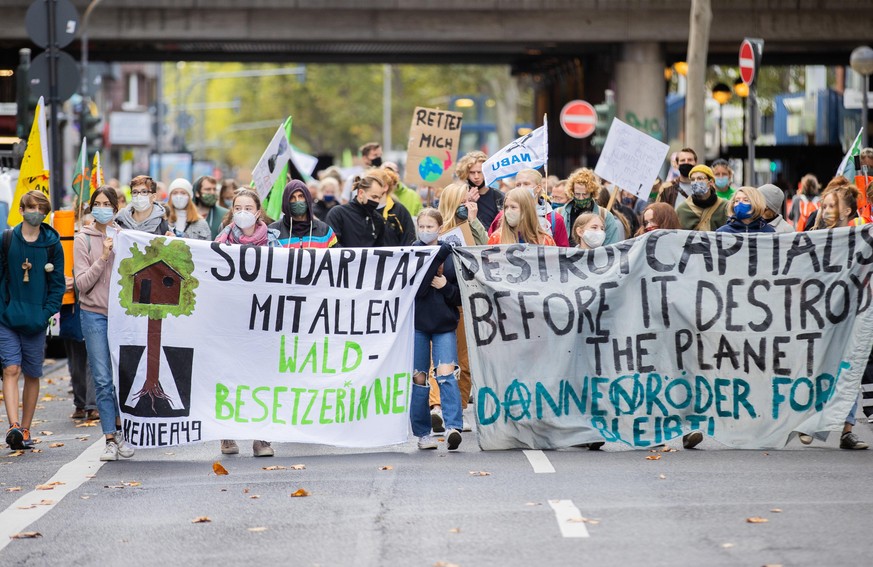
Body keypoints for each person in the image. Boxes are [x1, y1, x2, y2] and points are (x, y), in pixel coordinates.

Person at [216, 188, 282, 457]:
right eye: (237, 208)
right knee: (229, 375)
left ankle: (261, 437)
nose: (242, 213)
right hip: (229, 318)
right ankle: (226, 433)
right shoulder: (220, 241)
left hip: (262, 319)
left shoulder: (273, 241)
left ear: (258, 212)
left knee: (262, 377)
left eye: (247, 208)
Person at [73, 186, 136, 461]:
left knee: (122, 377)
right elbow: (82, 284)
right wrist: (103, 258)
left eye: (106, 203)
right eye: (97, 203)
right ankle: (110, 437)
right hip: (94, 314)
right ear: (91, 207)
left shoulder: (125, 237)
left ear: (116, 207)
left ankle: (123, 432)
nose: (102, 208)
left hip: (122, 316)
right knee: (101, 378)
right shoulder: (82, 239)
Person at [804, 183, 868, 450]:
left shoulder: (862, 234)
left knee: (849, 367)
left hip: (854, 312)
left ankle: (847, 430)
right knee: (819, 367)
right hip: (819, 313)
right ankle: (810, 423)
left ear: (848, 210)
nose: (827, 210)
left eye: (833, 206)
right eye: (824, 206)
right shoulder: (813, 236)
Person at [2, 190, 65, 450]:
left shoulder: (52, 244)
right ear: (20, 209)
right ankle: (13, 426)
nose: (36, 213)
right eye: (31, 208)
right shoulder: (6, 240)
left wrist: (45, 313)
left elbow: (57, 284)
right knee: (11, 368)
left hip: (36, 320)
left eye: (41, 209)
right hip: (6, 317)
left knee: (32, 373)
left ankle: (26, 429)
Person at [410, 209, 463, 451]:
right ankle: (422, 433)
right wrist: (437, 260)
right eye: (422, 225)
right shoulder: (411, 253)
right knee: (419, 380)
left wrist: (444, 286)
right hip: (418, 325)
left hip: (443, 324)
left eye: (431, 226)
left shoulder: (452, 256)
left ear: (440, 228)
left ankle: (453, 427)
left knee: (446, 374)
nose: (426, 230)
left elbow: (459, 295)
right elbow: (417, 289)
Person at [489, 169, 570, 246]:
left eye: (526, 184)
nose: (521, 188)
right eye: (518, 185)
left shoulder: (554, 219)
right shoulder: (503, 216)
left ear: (538, 188)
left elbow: (562, 254)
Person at [268, 180, 338, 249]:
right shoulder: (273, 231)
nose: (297, 201)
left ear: (307, 199)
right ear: (286, 202)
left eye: (301, 196)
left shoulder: (325, 231)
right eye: (292, 197)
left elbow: (335, 258)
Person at [559, 168, 622, 245]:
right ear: (572, 192)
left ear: (592, 193)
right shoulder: (559, 213)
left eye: (585, 194)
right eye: (577, 194)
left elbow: (611, 247)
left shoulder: (605, 216)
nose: (581, 198)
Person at [326, 174, 387, 247]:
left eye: (379, 198)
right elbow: (332, 244)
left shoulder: (378, 219)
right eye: (374, 197)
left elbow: (380, 249)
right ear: (361, 193)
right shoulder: (338, 213)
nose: (377, 201)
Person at [488, 188, 556, 245]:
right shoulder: (496, 238)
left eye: (513, 207)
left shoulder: (545, 240)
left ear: (526, 210)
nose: (508, 211)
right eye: (506, 207)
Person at [456, 151, 503, 229]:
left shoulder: (498, 196)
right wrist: (467, 203)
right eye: (472, 172)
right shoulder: (460, 195)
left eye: (479, 172)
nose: (476, 176)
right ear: (466, 174)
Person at [676, 164, 730, 231]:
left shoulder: (724, 207)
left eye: (700, 178)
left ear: (710, 182)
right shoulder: (683, 209)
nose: (696, 182)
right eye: (693, 179)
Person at [376, 168, 416, 246]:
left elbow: (409, 238)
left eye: (375, 183)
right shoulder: (364, 209)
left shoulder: (399, 210)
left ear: (385, 187)